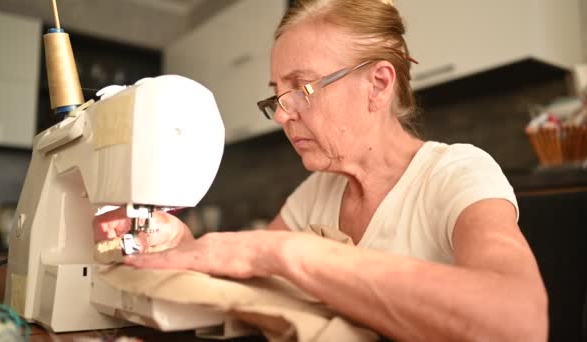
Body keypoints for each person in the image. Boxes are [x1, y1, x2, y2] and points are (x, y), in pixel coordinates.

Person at [93, 0, 548, 340]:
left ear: (378, 84)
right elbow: (244, 283)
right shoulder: (318, 191)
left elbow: (520, 323)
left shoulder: (458, 174)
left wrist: (287, 253)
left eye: (302, 87)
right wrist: (184, 244)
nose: (283, 113)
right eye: (277, 93)